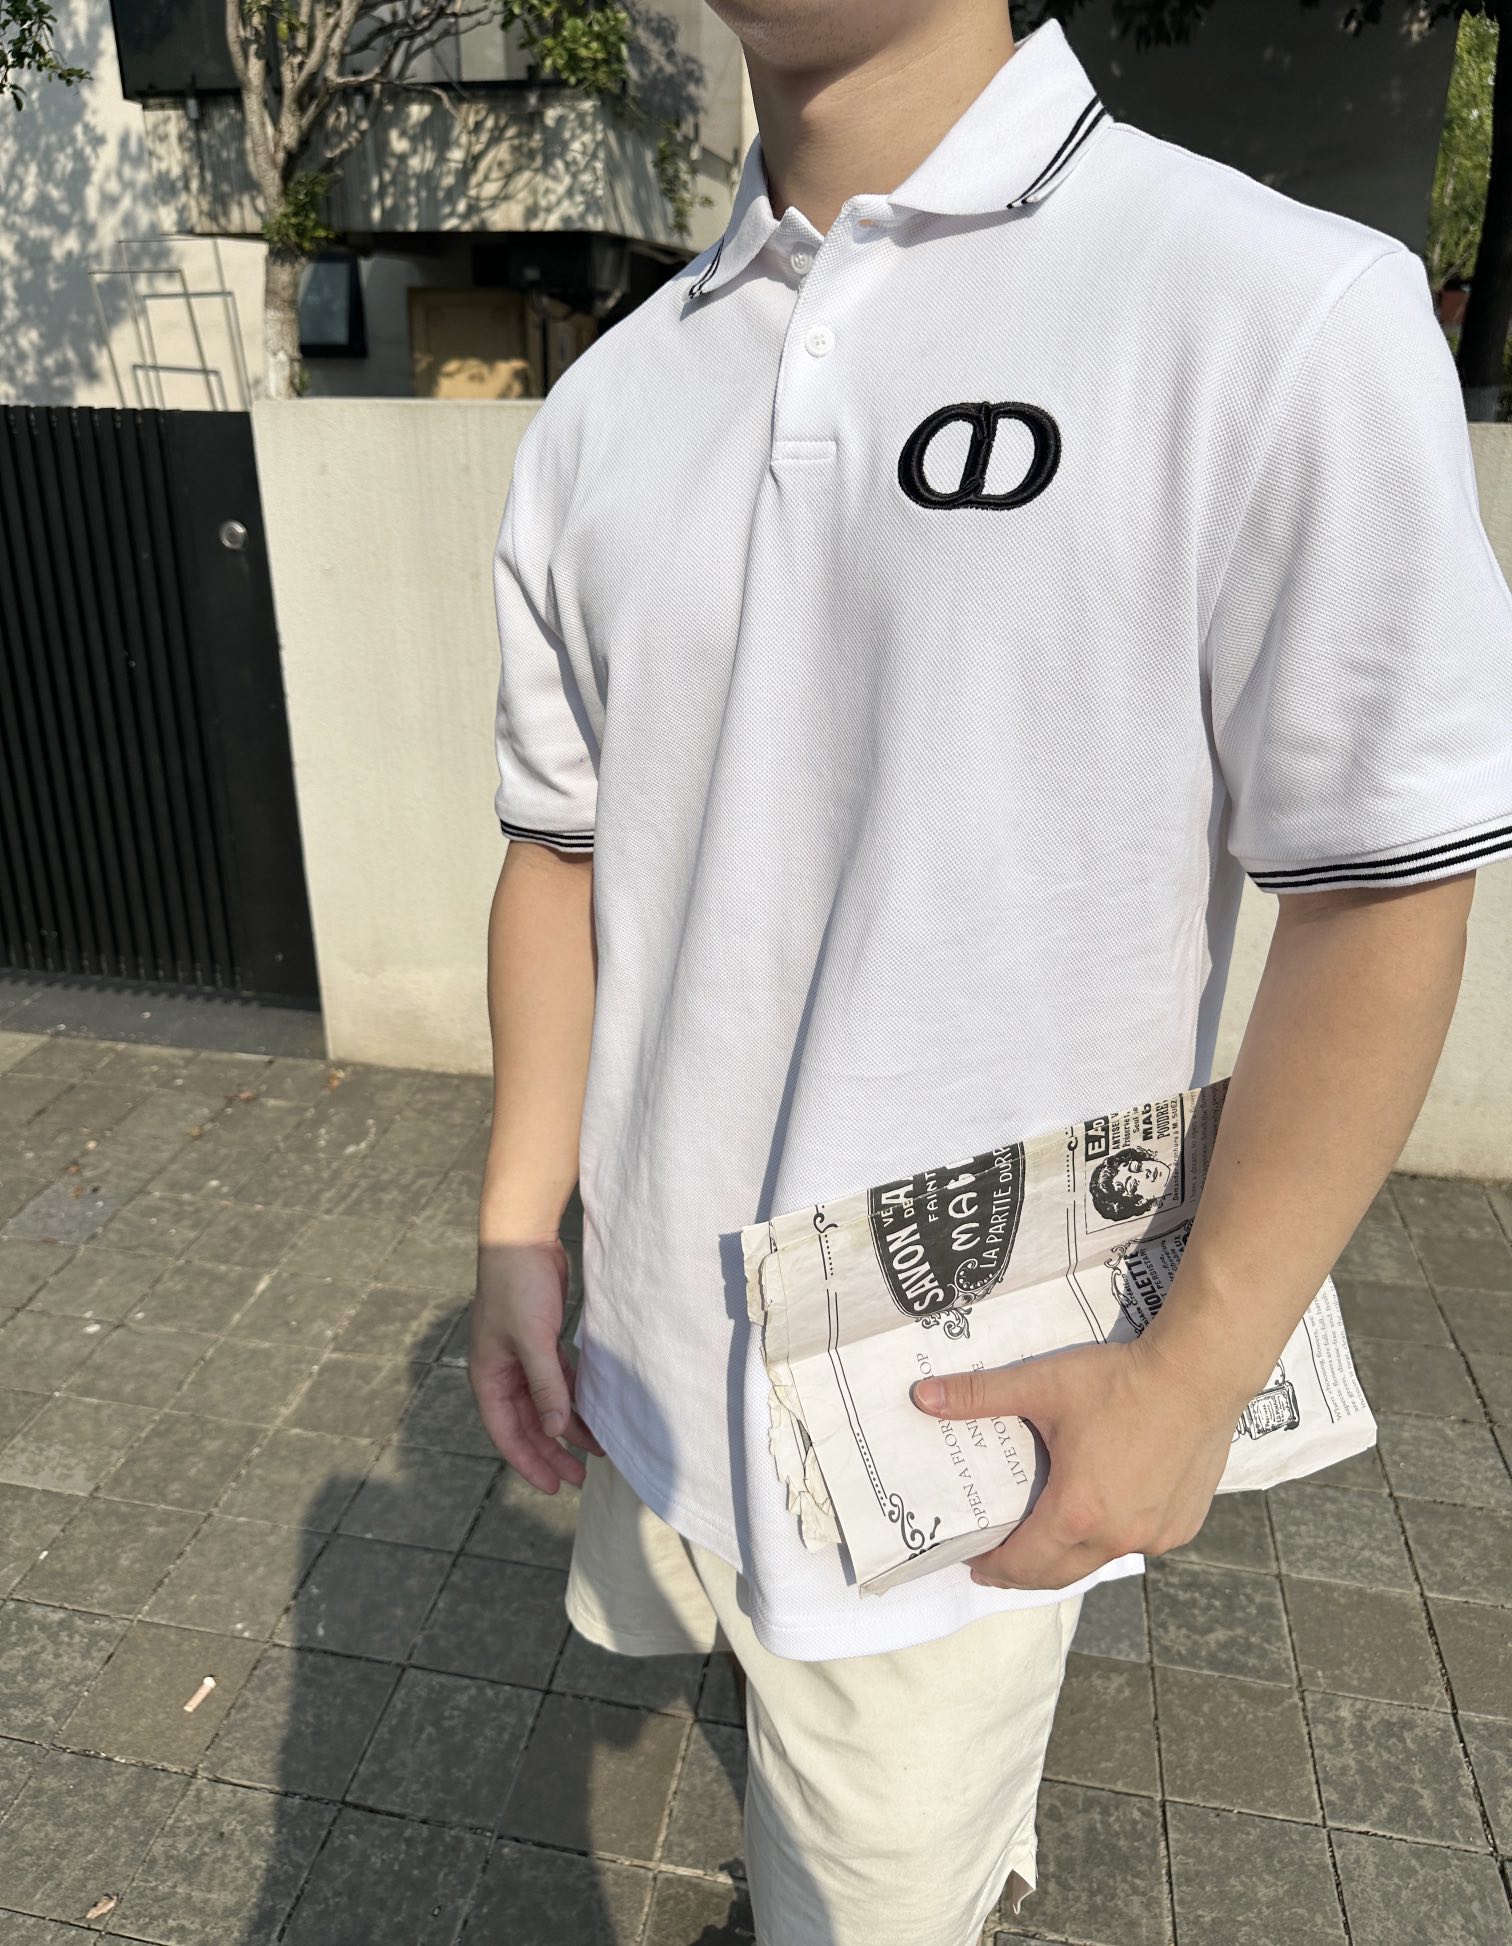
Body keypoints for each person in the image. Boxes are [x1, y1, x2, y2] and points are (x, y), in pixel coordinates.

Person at [470, 4, 1512, 1941]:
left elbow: (1382, 887)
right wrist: (520, 1220)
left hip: (956, 1409)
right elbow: (558, 849)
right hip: (652, 1347)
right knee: (744, 1718)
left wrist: (1197, 1372)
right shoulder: (610, 402)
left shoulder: (1273, 305)